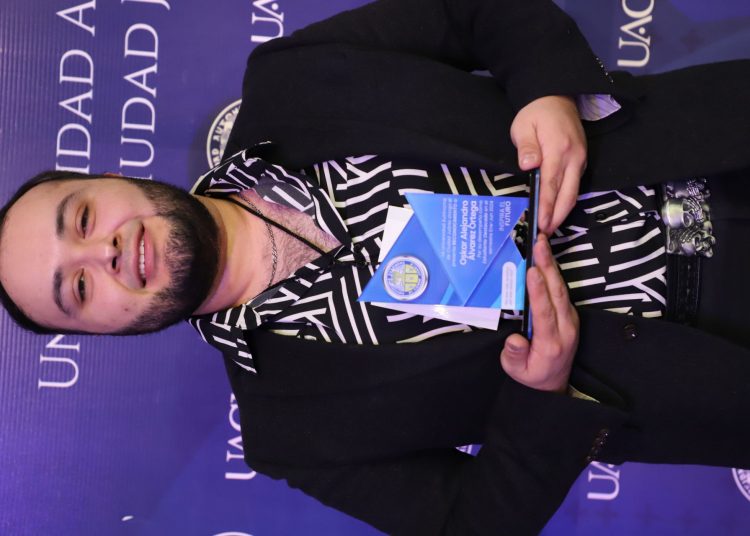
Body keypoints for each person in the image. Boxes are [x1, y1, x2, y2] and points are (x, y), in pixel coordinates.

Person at [1, 0, 749, 533]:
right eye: (77, 288)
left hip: (713, 149)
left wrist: (541, 87)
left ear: (109, 178)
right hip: (711, 366)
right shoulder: (289, 432)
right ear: (107, 332)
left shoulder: (290, 79)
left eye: (82, 218)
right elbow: (470, 522)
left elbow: (472, 11)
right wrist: (543, 397)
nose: (102, 253)